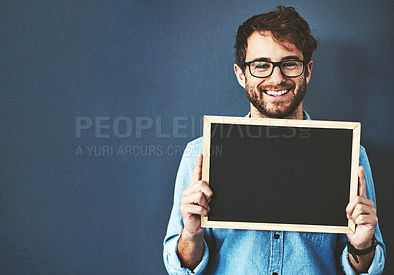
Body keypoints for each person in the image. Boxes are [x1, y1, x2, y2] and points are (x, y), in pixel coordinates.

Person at [163, 6, 386, 274]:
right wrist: (191, 235)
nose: (276, 78)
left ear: (308, 71)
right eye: (261, 65)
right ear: (240, 74)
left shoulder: (350, 154)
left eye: (290, 63)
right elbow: (180, 269)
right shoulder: (200, 154)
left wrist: (362, 245)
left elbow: (365, 269)